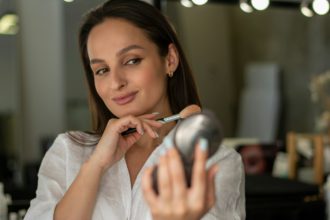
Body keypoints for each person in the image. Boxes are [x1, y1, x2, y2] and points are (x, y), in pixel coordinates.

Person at [24, 0, 245, 219]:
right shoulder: (68, 152)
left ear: (170, 59)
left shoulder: (215, 163)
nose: (116, 82)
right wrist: (97, 164)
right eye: (101, 70)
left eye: (131, 61)